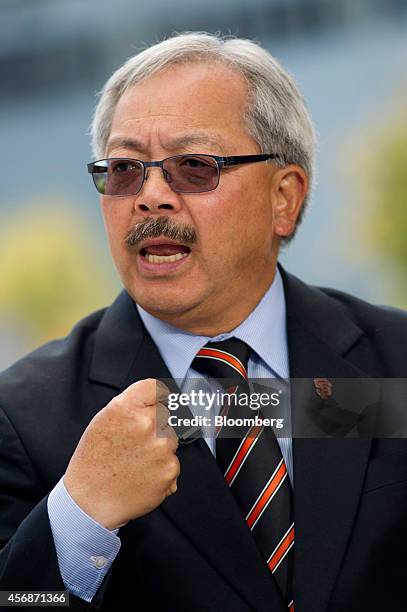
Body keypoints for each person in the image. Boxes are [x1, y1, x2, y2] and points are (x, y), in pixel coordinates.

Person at [0, 31, 406, 612]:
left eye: (195, 166)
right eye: (124, 169)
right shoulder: (22, 415)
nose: (151, 197)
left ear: (284, 199)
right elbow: (19, 600)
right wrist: (80, 513)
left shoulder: (394, 360)